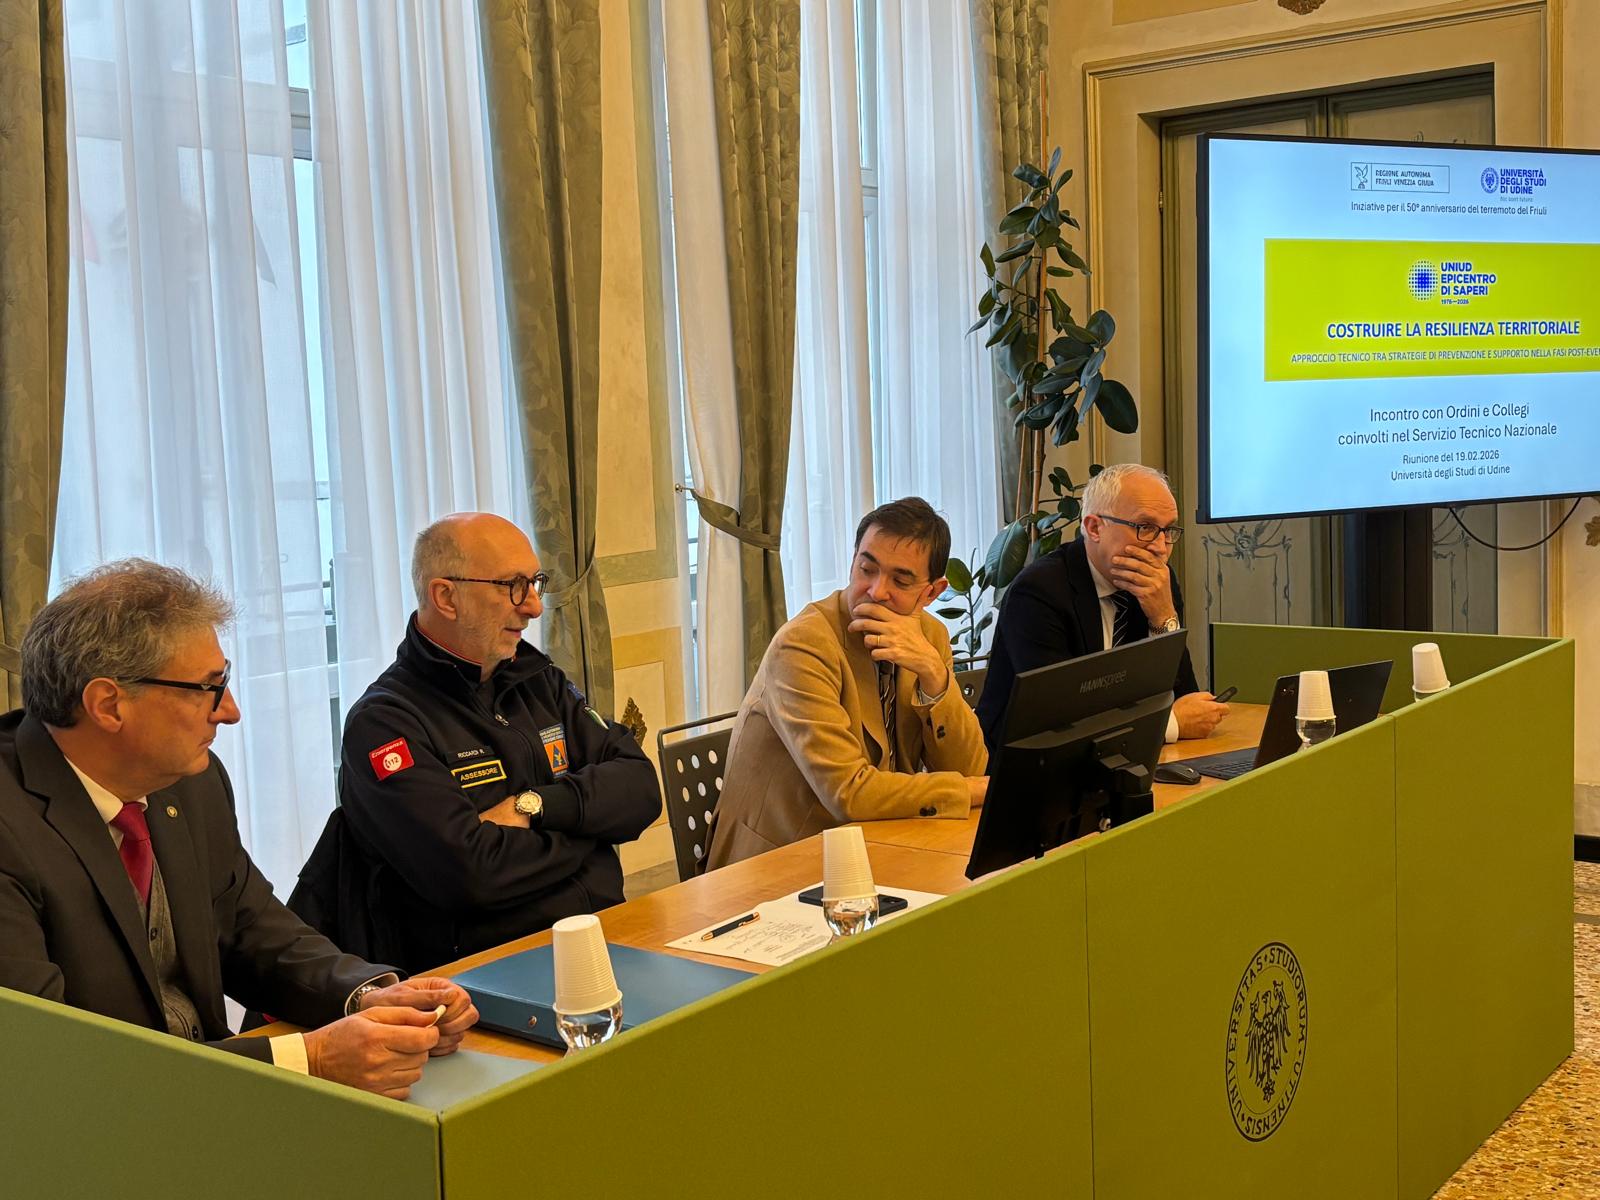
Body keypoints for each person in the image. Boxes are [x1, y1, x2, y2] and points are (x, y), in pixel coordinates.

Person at [0, 560, 477, 1100]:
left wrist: (368, 996)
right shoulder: (10, 828)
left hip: (212, 1099)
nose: (230, 712)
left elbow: (250, 930)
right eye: (208, 687)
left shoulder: (190, 782)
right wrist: (312, 1058)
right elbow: (49, 1063)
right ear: (109, 705)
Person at [315, 513, 661, 974]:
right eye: (513, 586)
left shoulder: (536, 679)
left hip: (603, 938)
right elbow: (470, 875)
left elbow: (641, 788)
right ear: (446, 597)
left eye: (535, 583)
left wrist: (534, 807)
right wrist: (591, 829)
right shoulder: (385, 724)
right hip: (489, 977)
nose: (534, 607)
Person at [705, 498, 988, 870]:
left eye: (900, 580)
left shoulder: (928, 639)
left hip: (877, 844)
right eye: (866, 569)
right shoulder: (804, 645)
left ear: (932, 592)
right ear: (853, 559)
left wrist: (934, 675)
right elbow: (848, 792)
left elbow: (970, 768)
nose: (876, 590)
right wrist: (969, 790)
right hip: (779, 863)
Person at [977, 463, 1228, 751]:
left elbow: (1185, 698)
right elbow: (1061, 719)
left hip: (1127, 759)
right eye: (1146, 527)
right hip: (1027, 764)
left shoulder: (1156, 582)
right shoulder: (1038, 591)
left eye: (1167, 529)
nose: (1161, 547)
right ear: (1094, 527)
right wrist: (1169, 724)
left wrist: (1163, 617)